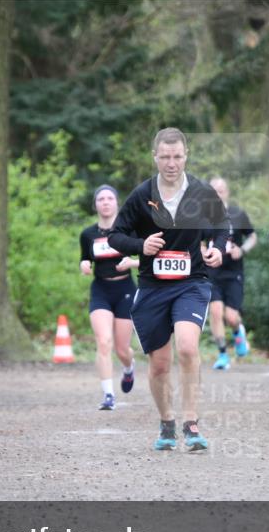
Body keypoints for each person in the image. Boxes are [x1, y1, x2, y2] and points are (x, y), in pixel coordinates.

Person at [108, 128, 227, 452]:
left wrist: (218, 248)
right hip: (152, 286)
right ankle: (166, 421)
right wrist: (140, 245)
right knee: (159, 363)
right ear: (155, 157)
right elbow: (115, 236)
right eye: (165, 157)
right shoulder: (142, 194)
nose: (171, 163)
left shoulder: (202, 192)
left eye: (177, 156)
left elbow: (221, 226)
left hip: (192, 283)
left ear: (185, 156)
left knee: (188, 348)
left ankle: (191, 422)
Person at [79, 184, 140, 410]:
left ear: (117, 203)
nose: (105, 202)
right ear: (95, 205)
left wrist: (132, 262)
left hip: (125, 289)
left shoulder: (128, 231)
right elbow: (85, 259)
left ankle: (128, 367)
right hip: (100, 290)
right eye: (101, 199)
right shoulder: (88, 234)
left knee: (122, 349)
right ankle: (108, 396)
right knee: (104, 342)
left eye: (109, 198)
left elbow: (149, 255)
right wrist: (84, 264)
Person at [205, 176, 256, 370]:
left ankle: (238, 331)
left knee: (232, 317)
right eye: (213, 190)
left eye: (221, 189)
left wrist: (242, 250)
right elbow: (199, 242)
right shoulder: (203, 218)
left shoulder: (237, 214)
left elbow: (252, 236)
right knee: (216, 312)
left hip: (233, 272)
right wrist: (201, 251)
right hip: (212, 272)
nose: (218, 193)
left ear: (227, 192)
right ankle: (223, 354)